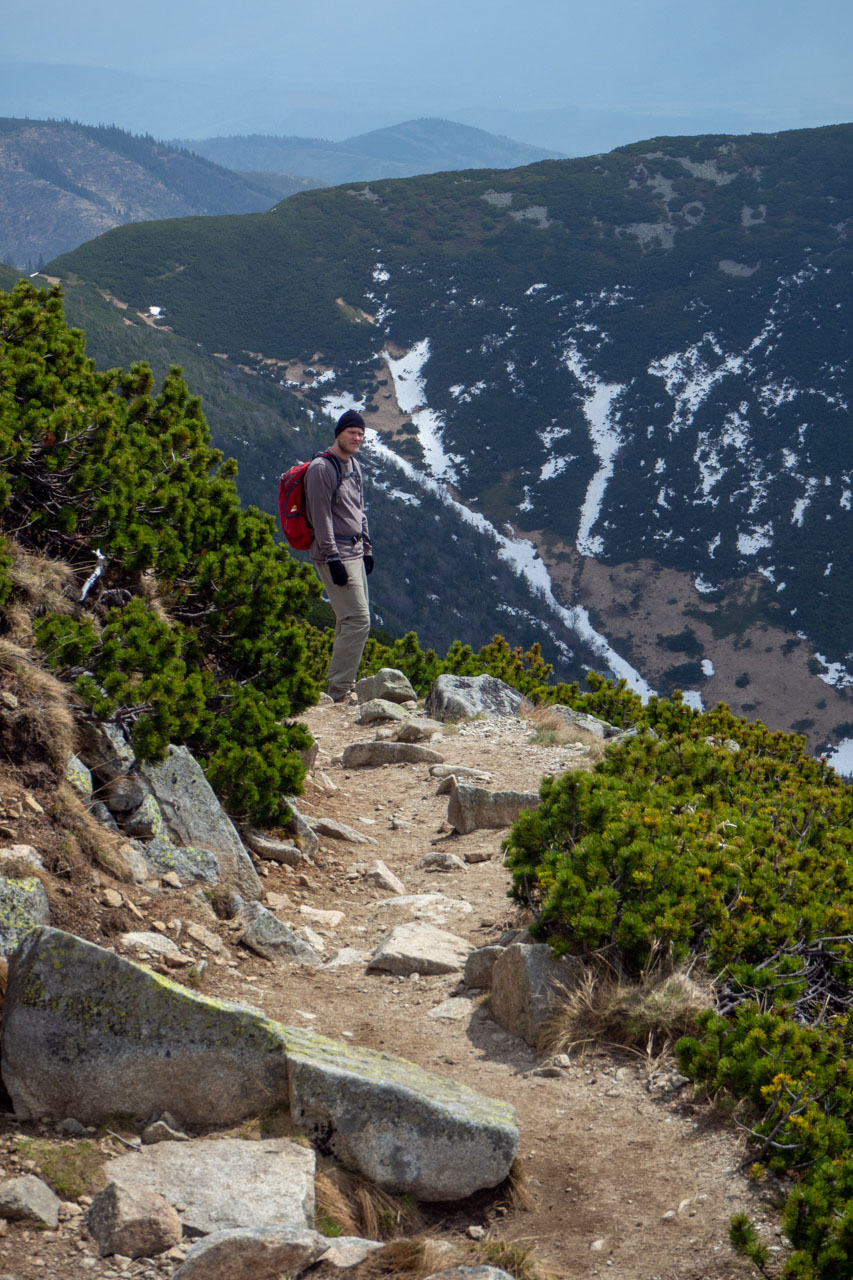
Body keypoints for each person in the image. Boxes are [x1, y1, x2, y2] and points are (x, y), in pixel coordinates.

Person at [304, 408, 373, 702]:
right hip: (335, 553)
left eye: (360, 434)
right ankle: (340, 690)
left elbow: (359, 510)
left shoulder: (354, 466)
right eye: (351, 433)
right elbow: (321, 519)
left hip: (355, 551)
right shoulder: (321, 469)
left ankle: (339, 686)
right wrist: (332, 559)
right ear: (338, 433)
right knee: (359, 620)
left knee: (347, 620)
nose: (356, 438)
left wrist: (367, 547)